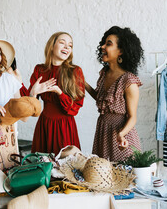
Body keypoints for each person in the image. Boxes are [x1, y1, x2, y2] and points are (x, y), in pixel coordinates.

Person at [85, 26, 144, 162]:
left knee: (123, 177)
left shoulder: (129, 81)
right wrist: (83, 83)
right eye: (103, 43)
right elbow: (102, 99)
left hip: (121, 135)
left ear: (121, 51)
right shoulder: (104, 73)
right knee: (102, 175)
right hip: (103, 130)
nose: (102, 47)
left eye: (108, 44)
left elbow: (132, 117)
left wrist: (121, 134)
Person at [25, 32, 85, 155]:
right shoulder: (40, 69)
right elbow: (28, 109)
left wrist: (59, 93)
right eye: (62, 43)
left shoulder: (75, 71)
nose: (67, 47)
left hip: (65, 126)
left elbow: (75, 108)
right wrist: (33, 93)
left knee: (64, 169)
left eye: (70, 45)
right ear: (52, 46)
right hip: (44, 125)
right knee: (42, 166)